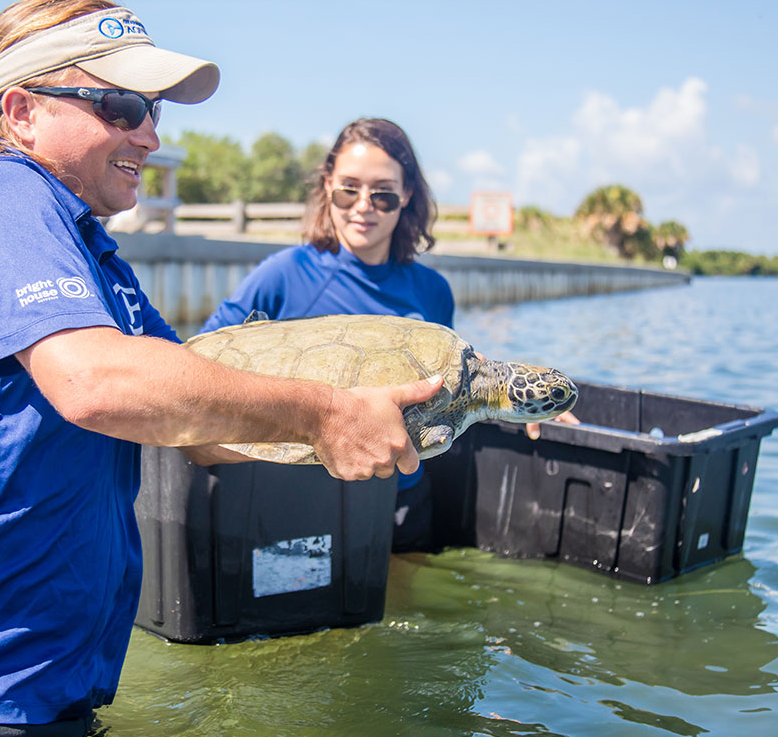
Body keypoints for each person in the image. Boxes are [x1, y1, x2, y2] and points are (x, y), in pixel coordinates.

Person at [0, 0, 446, 737]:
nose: (150, 132)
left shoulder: (94, 258)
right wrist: (325, 414)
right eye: (122, 105)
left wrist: (386, 425)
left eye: (154, 108)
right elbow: (95, 381)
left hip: (27, 704)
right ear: (22, 110)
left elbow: (202, 420)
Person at [199, 118, 576, 551]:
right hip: (295, 503)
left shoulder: (432, 292)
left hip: (401, 502)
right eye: (348, 189)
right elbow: (198, 372)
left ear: (407, 196)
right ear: (327, 187)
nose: (363, 206)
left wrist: (521, 408)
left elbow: (446, 389)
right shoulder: (281, 276)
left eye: (382, 194)